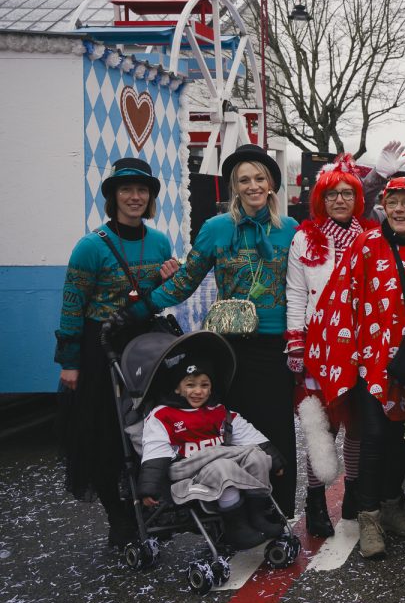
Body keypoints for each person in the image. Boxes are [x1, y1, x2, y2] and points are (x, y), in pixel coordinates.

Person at [137, 145, 300, 516]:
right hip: (230, 349)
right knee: (231, 433)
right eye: (244, 180)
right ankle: (235, 513)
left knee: (276, 431)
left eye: (259, 178)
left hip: (274, 348)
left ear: (271, 185)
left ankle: (278, 514)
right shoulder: (216, 229)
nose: (253, 186)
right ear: (234, 187)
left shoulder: (290, 230)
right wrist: (143, 307)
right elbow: (187, 280)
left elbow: (307, 286)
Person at [307, 177, 405, 558]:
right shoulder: (366, 244)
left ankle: (391, 505)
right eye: (393, 202)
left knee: (404, 439)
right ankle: (368, 518)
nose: (399, 210)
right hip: (373, 362)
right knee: (374, 437)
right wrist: (341, 355)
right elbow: (341, 297)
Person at [55, 157, 180, 546]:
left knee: (148, 429)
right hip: (100, 345)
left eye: (142, 190)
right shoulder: (91, 246)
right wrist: (70, 363)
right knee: (105, 434)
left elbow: (155, 299)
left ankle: (149, 505)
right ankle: (118, 518)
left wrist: (167, 282)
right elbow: (72, 306)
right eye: (126, 189)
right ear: (113, 197)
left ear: (150, 198)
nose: (134, 197)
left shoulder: (159, 242)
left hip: (143, 344)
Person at [286, 154, 371, 538]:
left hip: (360, 342)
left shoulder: (369, 236)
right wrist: (295, 343)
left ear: (357, 199)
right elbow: (295, 293)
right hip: (318, 343)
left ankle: (353, 492)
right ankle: (316, 500)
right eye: (332, 194)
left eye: (347, 193)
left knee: (357, 422)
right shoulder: (304, 238)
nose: (340, 200)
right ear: (320, 199)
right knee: (321, 425)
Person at [138, 336, 286, 550]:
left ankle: (257, 515)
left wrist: (275, 460)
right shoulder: (163, 415)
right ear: (178, 388)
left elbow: (248, 434)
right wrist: (150, 488)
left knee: (257, 457)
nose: (198, 391)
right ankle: (235, 526)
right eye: (190, 385)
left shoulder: (217, 411)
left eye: (204, 385)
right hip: (188, 469)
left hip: (220, 459)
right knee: (222, 466)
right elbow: (155, 450)